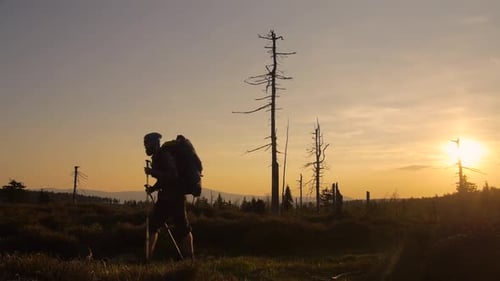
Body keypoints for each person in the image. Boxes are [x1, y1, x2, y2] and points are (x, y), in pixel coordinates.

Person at [143, 132, 194, 261]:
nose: (145, 147)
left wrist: (152, 172)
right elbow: (164, 179)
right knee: (154, 226)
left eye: (147, 144)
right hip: (167, 198)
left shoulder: (164, 155)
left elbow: (173, 176)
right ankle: (148, 258)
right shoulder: (158, 157)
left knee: (182, 229)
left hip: (175, 198)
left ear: (154, 144)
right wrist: (153, 188)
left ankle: (189, 259)